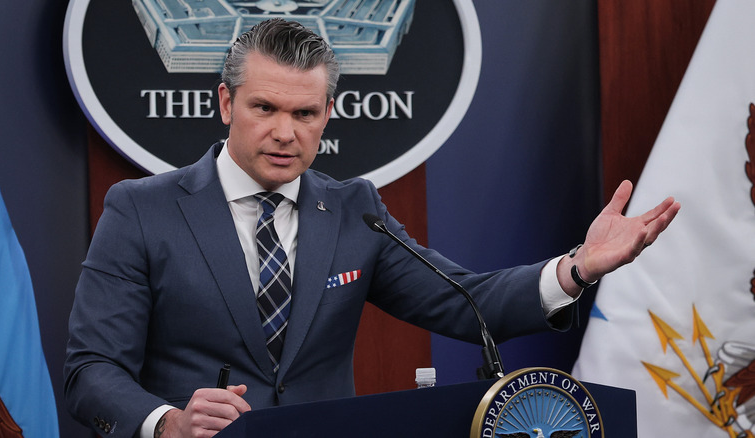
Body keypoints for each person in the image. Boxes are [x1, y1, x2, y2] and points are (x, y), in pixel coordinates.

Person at [63, 18, 680, 438]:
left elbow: (466, 302)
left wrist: (576, 269)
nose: (285, 132)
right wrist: (167, 423)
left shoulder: (354, 210)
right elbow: (91, 370)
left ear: (328, 114)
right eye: (264, 108)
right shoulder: (141, 209)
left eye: (305, 113)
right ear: (227, 103)